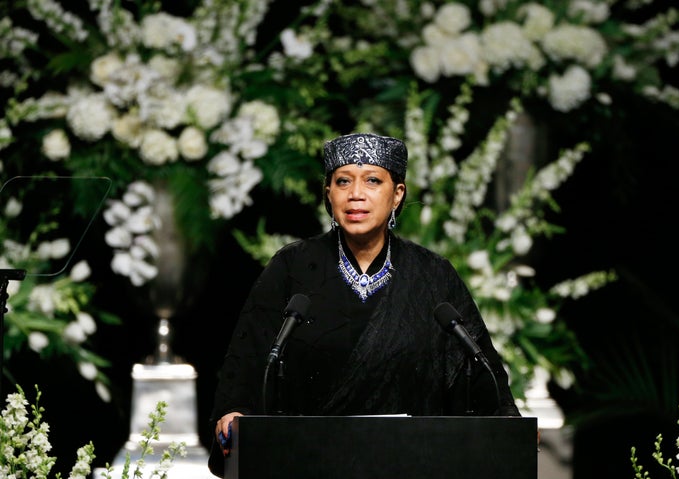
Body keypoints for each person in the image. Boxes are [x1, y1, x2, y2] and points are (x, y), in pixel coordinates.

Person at [208, 132, 520, 475]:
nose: (356, 194)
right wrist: (235, 411)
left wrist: (507, 421)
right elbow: (249, 358)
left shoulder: (432, 274)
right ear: (329, 193)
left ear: (397, 194)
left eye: (372, 180)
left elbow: (477, 370)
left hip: (413, 463)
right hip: (308, 463)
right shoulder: (292, 267)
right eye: (343, 181)